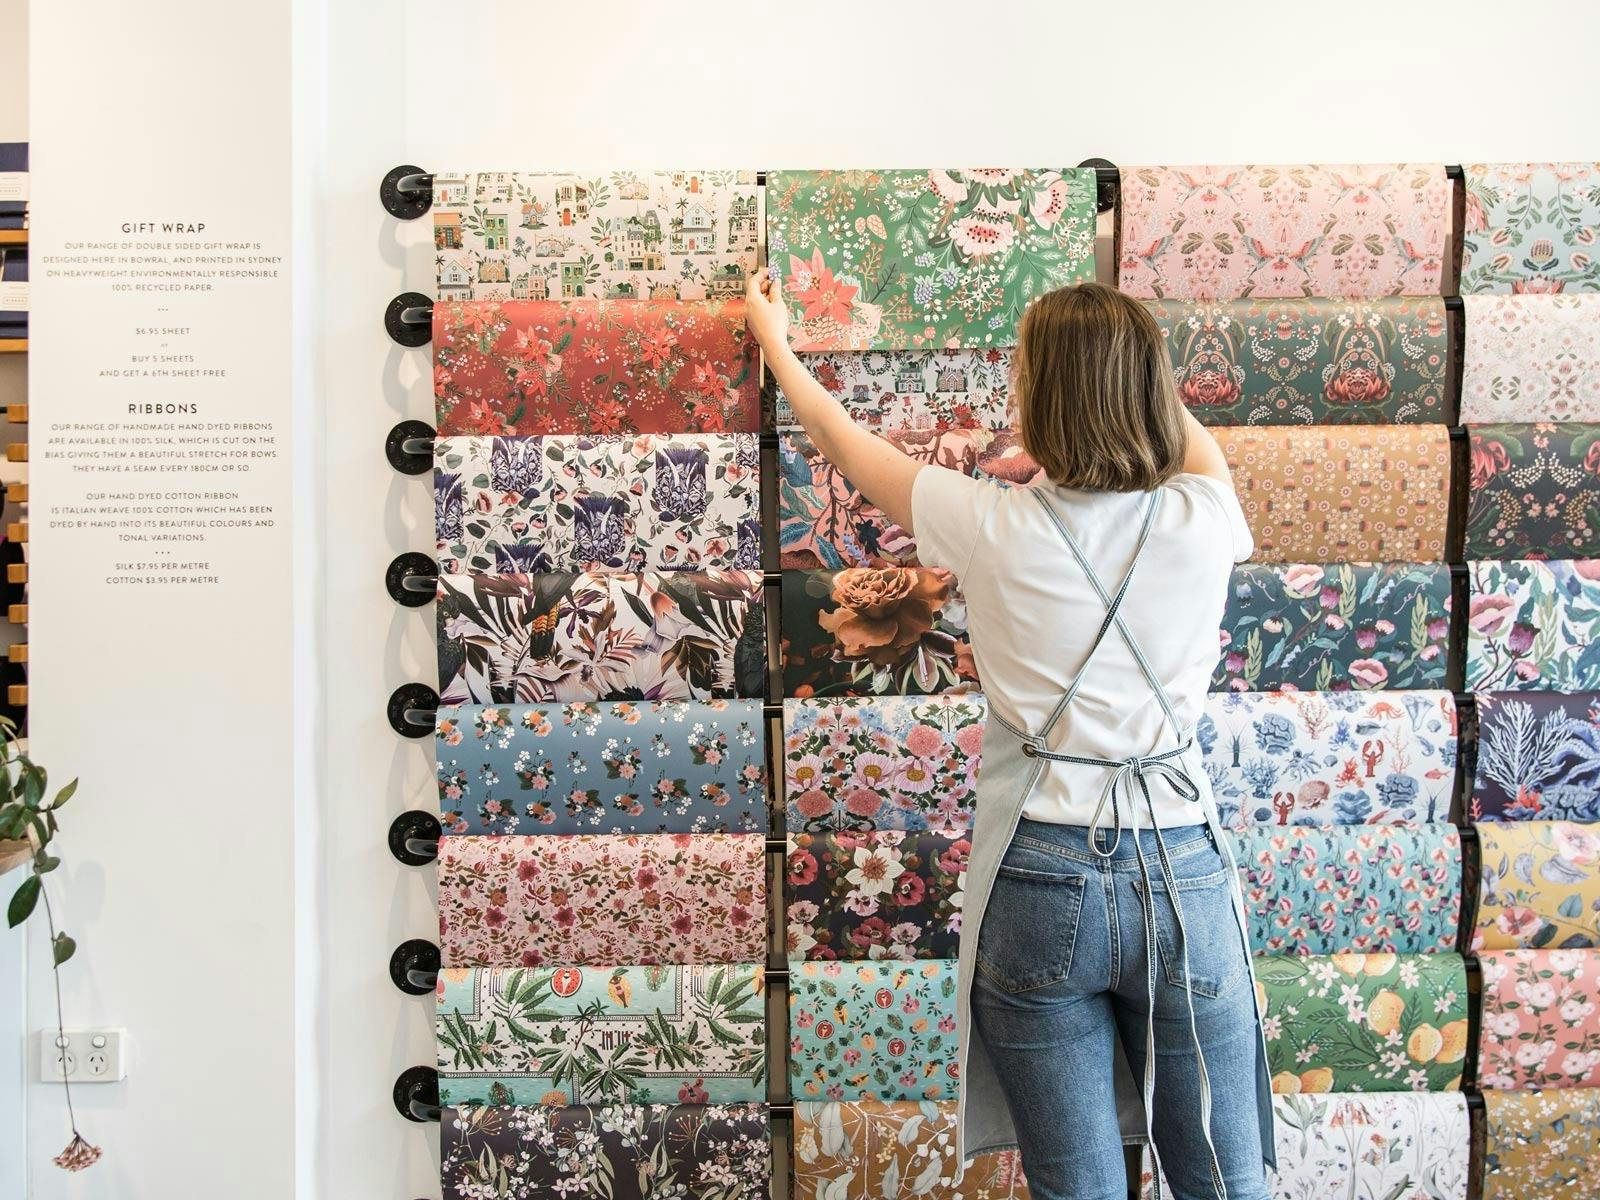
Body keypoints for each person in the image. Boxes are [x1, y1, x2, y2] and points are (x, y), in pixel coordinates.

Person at [744, 274, 1275, 1200]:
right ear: (1150, 386)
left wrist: (778, 344)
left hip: (1039, 878)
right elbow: (1187, 444)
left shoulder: (983, 520)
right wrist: (1132, 380)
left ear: (1035, 401)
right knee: (1226, 1184)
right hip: (1182, 870)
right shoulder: (1204, 516)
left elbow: (838, 440)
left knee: (1079, 1189)